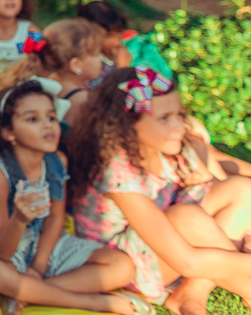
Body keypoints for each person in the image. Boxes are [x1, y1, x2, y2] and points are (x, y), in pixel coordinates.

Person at [0, 79, 142, 315]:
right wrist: (19, 219)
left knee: (122, 266)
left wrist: (38, 268)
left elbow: (55, 219)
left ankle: (30, 294)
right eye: (33, 119)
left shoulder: (57, 161)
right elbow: (1, 251)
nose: (48, 126)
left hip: (41, 240)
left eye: (51, 117)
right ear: (9, 132)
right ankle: (91, 302)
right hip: (4, 242)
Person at [69, 68, 251, 315]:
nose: (178, 126)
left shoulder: (170, 147)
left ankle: (191, 295)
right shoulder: (117, 172)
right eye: (164, 118)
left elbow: (211, 188)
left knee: (241, 189)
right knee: (187, 217)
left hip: (167, 238)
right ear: (127, 125)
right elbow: (188, 260)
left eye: (179, 114)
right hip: (126, 265)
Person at [0, 19, 106, 137]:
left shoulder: (42, 88)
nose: (102, 58)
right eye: (96, 53)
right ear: (75, 64)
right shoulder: (84, 101)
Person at [76, 1, 172, 81]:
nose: (116, 42)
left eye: (119, 33)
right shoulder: (87, 64)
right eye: (107, 36)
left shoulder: (120, 54)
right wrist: (122, 69)